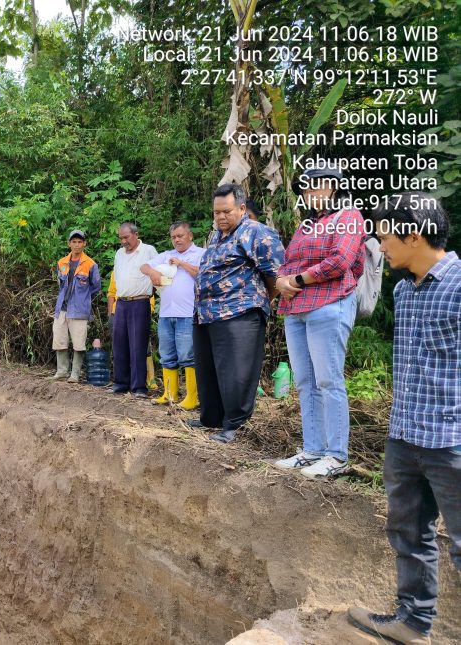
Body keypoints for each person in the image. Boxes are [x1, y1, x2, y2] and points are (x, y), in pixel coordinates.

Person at [347, 193, 460, 645]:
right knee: (409, 533)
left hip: (451, 438)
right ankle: (413, 623)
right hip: (406, 435)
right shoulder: (404, 288)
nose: (380, 244)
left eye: (386, 236)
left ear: (414, 236)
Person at [274, 166, 366, 478]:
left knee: (329, 381)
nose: (311, 193)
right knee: (305, 382)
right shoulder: (306, 226)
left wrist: (297, 279)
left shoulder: (349, 216)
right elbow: (287, 262)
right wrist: (281, 282)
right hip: (296, 308)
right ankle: (311, 450)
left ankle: (336, 456)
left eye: (318, 186)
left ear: (334, 187)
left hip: (329, 304)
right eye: (307, 188)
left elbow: (340, 261)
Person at [191, 184, 284, 443]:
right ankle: (211, 418)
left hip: (239, 312)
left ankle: (235, 425)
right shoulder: (216, 236)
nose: (221, 217)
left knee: (236, 372)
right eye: (217, 212)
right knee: (208, 369)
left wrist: (254, 300)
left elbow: (276, 275)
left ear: (242, 208)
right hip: (207, 314)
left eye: (227, 211)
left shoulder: (256, 232)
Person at [140, 222, 205, 408]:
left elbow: (204, 275)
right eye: (173, 237)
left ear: (190, 236)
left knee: (187, 356)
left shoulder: (200, 254)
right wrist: (153, 273)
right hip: (166, 313)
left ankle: (192, 398)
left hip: (188, 313)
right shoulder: (167, 255)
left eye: (180, 236)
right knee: (167, 355)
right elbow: (144, 266)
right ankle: (170, 394)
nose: (176, 239)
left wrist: (183, 263)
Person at [110, 222, 157, 397]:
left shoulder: (149, 251)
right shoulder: (119, 254)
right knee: (119, 343)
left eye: (126, 237)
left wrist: (150, 295)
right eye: (121, 238)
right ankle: (121, 383)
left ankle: (138, 387)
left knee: (138, 344)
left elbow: (158, 274)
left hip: (140, 301)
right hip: (121, 303)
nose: (123, 241)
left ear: (136, 234)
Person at [50, 230, 102, 382]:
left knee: (79, 342)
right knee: (59, 339)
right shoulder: (62, 262)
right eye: (74, 242)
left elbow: (96, 286)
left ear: (84, 244)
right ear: (69, 243)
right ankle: (61, 371)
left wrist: (83, 299)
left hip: (79, 309)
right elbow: (60, 283)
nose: (77, 245)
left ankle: (75, 374)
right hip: (62, 308)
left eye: (80, 242)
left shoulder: (91, 264)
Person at [107, 274, 158, 392]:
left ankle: (141, 385)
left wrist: (148, 309)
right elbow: (111, 292)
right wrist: (111, 313)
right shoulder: (119, 266)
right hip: (118, 310)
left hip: (139, 308)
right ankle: (121, 383)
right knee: (119, 350)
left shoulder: (144, 268)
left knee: (139, 349)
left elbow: (149, 291)